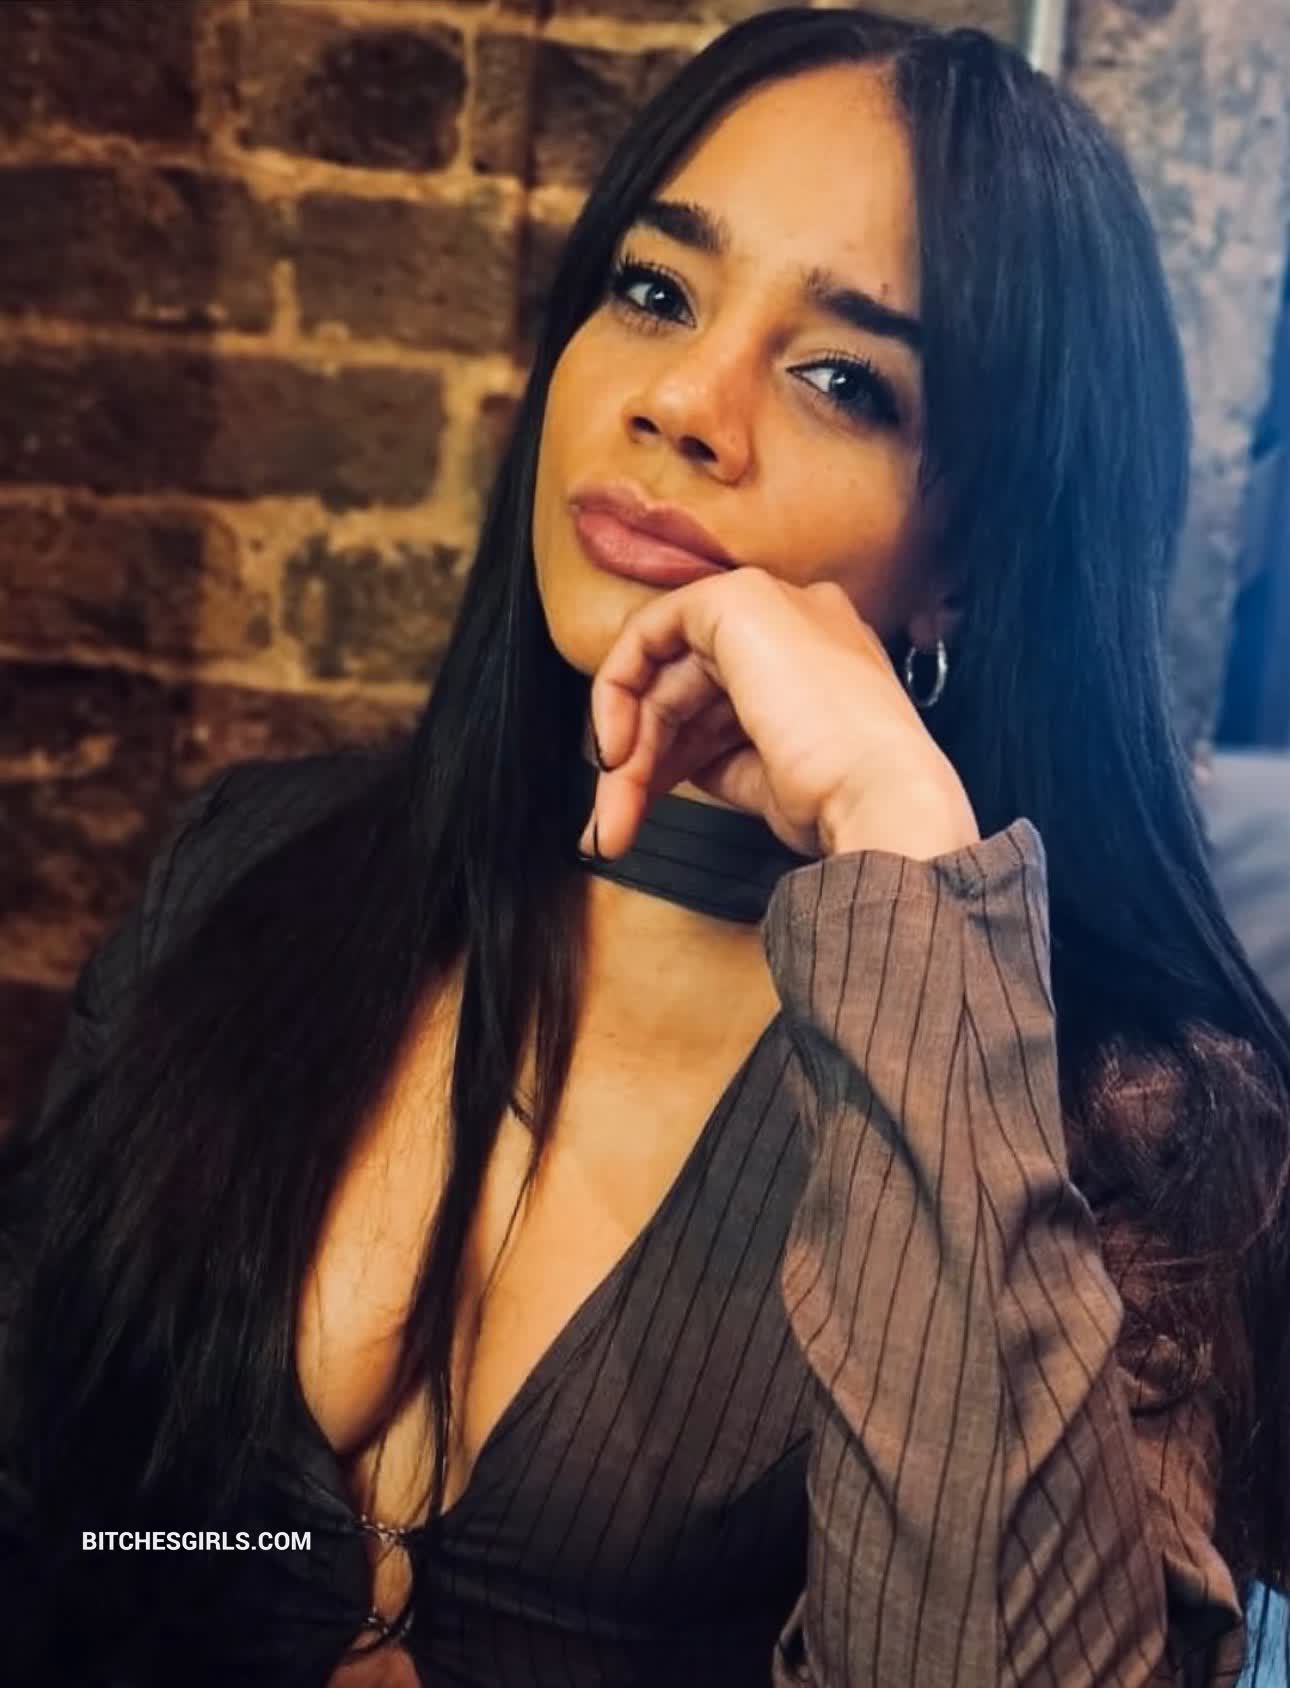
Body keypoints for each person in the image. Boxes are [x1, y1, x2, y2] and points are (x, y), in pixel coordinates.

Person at [3, 8, 1290, 1685]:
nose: (682, 400)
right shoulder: (254, 866)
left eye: (843, 379)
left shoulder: (1139, 1128)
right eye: (655, 291)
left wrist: (901, 857)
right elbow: (63, 1509)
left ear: (971, 557)